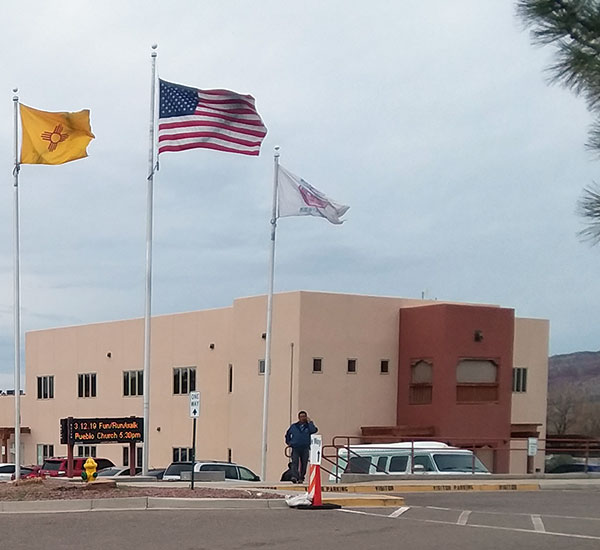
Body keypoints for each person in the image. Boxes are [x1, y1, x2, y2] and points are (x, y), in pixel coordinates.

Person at [285, 410, 318, 483]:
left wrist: (310, 422)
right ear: (298, 418)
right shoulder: (294, 426)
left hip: (305, 447)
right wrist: (289, 442)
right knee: (294, 462)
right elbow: (287, 434)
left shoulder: (308, 426)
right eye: (301, 417)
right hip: (295, 447)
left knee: (304, 463)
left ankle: (301, 477)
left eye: (304, 416)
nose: (303, 418)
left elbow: (314, 430)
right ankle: (294, 476)